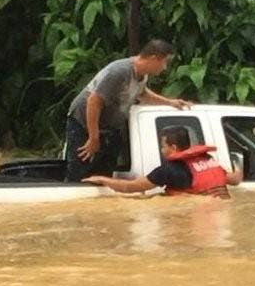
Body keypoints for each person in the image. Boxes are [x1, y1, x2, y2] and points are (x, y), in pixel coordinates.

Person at [64, 39, 193, 182]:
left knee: (104, 173)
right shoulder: (119, 72)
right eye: (164, 62)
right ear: (153, 58)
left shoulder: (142, 75)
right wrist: (93, 138)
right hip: (84, 123)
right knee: (79, 172)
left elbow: (142, 94)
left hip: (108, 126)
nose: (165, 68)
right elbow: (93, 101)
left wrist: (170, 102)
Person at [82, 126, 243, 198]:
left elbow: (130, 187)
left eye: (162, 146)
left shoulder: (169, 170)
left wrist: (102, 179)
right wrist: (238, 164)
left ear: (173, 147)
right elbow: (235, 180)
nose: (161, 150)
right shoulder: (208, 160)